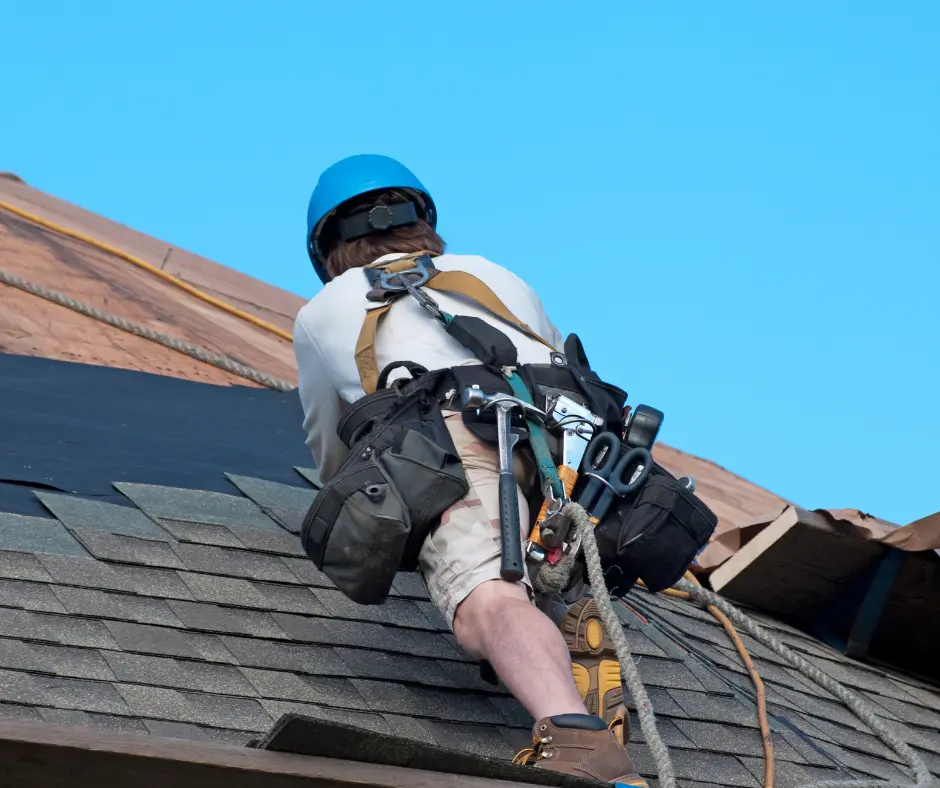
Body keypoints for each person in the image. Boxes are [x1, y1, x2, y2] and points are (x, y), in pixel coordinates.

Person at [293, 154, 646, 786]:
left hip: (455, 432)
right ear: (421, 221)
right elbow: (561, 364)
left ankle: (573, 733)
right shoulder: (492, 274)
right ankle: (561, 617)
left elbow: (332, 448)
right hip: (571, 447)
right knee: (543, 558)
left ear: (330, 248)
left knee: (485, 599)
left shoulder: (327, 307)